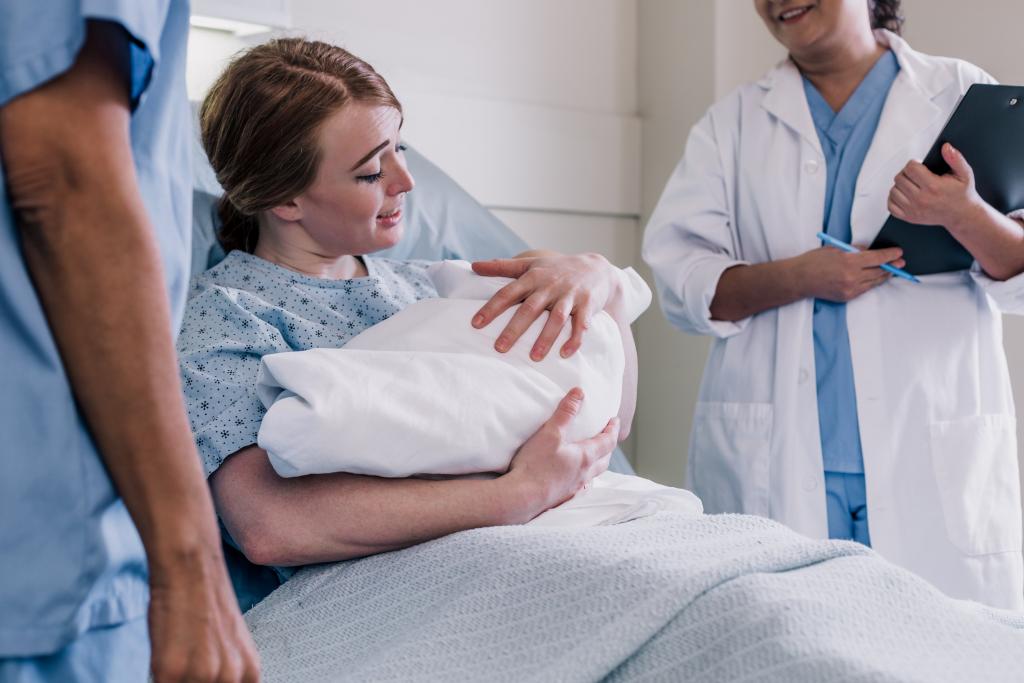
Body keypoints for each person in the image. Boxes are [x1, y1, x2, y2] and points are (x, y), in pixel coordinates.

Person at [177, 38, 633, 596]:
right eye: (372, 171)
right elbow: (269, 526)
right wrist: (517, 494)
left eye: (400, 148)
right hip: (392, 593)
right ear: (286, 199)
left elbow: (609, 425)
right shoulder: (226, 320)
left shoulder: (434, 285)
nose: (406, 181)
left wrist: (605, 290)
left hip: (550, 545)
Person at [643, 0, 1024, 609]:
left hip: (927, 445)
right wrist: (799, 277)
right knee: (783, 646)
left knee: (936, 648)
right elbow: (682, 283)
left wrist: (962, 214)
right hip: (778, 453)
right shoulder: (733, 122)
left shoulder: (959, 91)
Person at [0, 4, 258, 682]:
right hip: (46, 564)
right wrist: (191, 565)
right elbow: (62, 172)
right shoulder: (236, 312)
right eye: (371, 171)